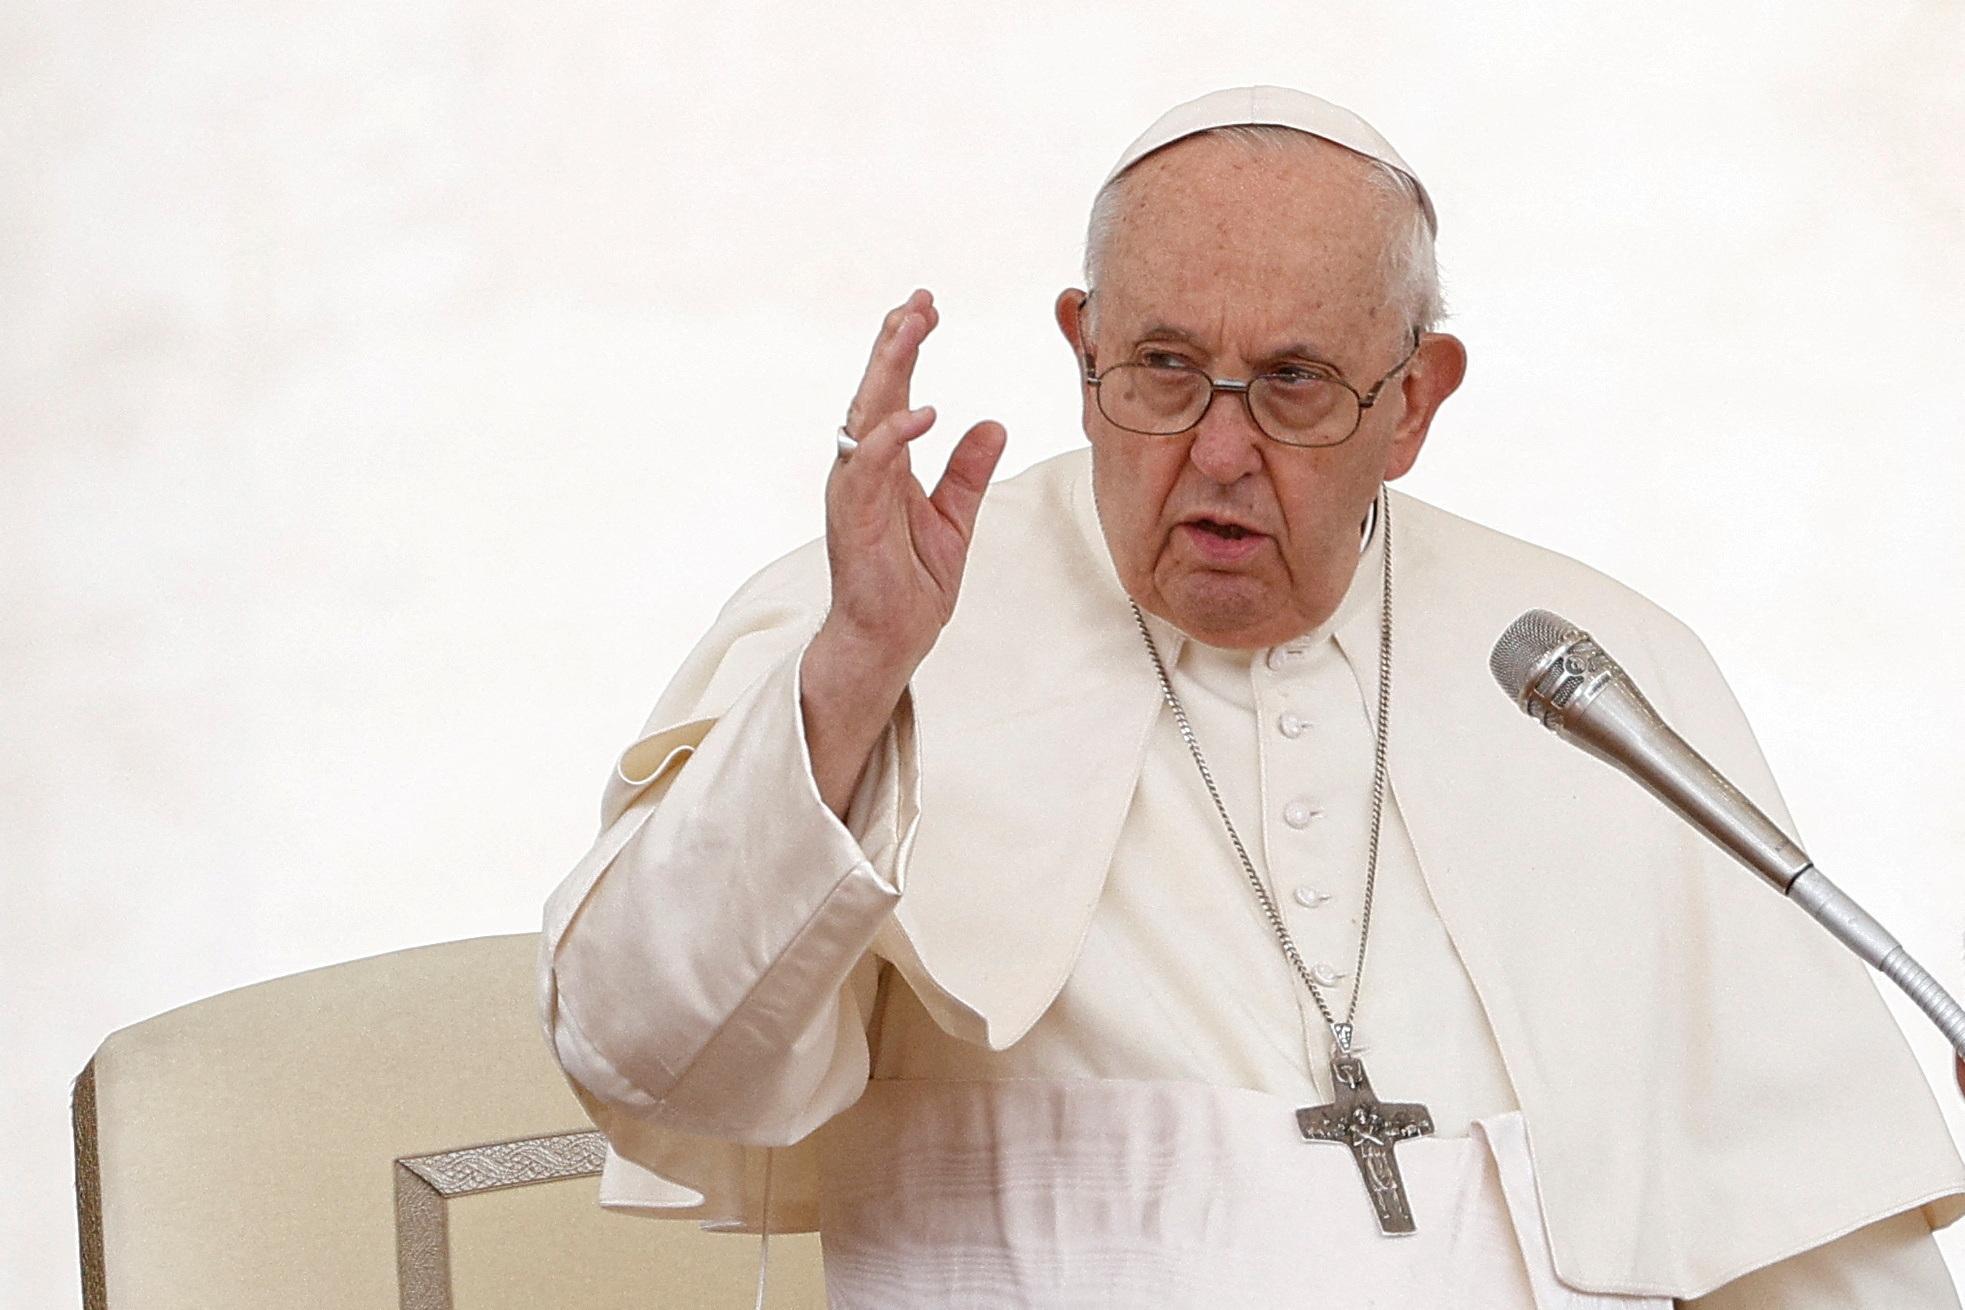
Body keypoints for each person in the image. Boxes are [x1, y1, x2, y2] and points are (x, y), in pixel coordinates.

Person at [540, 87, 1965, 1307]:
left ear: (1412, 400)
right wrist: (852, 675)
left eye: (1290, 382)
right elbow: (651, 1055)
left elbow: (1809, 1247)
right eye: (1162, 367)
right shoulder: (878, 617)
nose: (1217, 449)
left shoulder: (1596, 671)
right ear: (1079, 353)